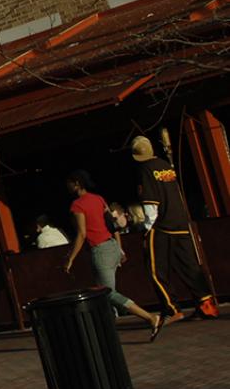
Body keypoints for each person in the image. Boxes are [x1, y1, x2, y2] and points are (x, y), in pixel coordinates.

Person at [63, 169, 164, 340]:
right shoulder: (99, 199)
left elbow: (82, 233)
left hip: (99, 250)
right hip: (111, 246)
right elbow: (113, 225)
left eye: (69, 183)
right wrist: (120, 248)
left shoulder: (77, 205)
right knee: (104, 293)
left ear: (77, 183)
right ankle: (106, 329)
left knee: (107, 293)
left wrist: (70, 259)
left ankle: (150, 317)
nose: (67, 186)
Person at [133, 135, 219, 320]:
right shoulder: (165, 165)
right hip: (180, 221)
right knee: (190, 266)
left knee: (156, 270)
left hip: (161, 225)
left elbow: (151, 204)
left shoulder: (146, 169)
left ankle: (172, 309)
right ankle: (207, 306)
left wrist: (147, 228)